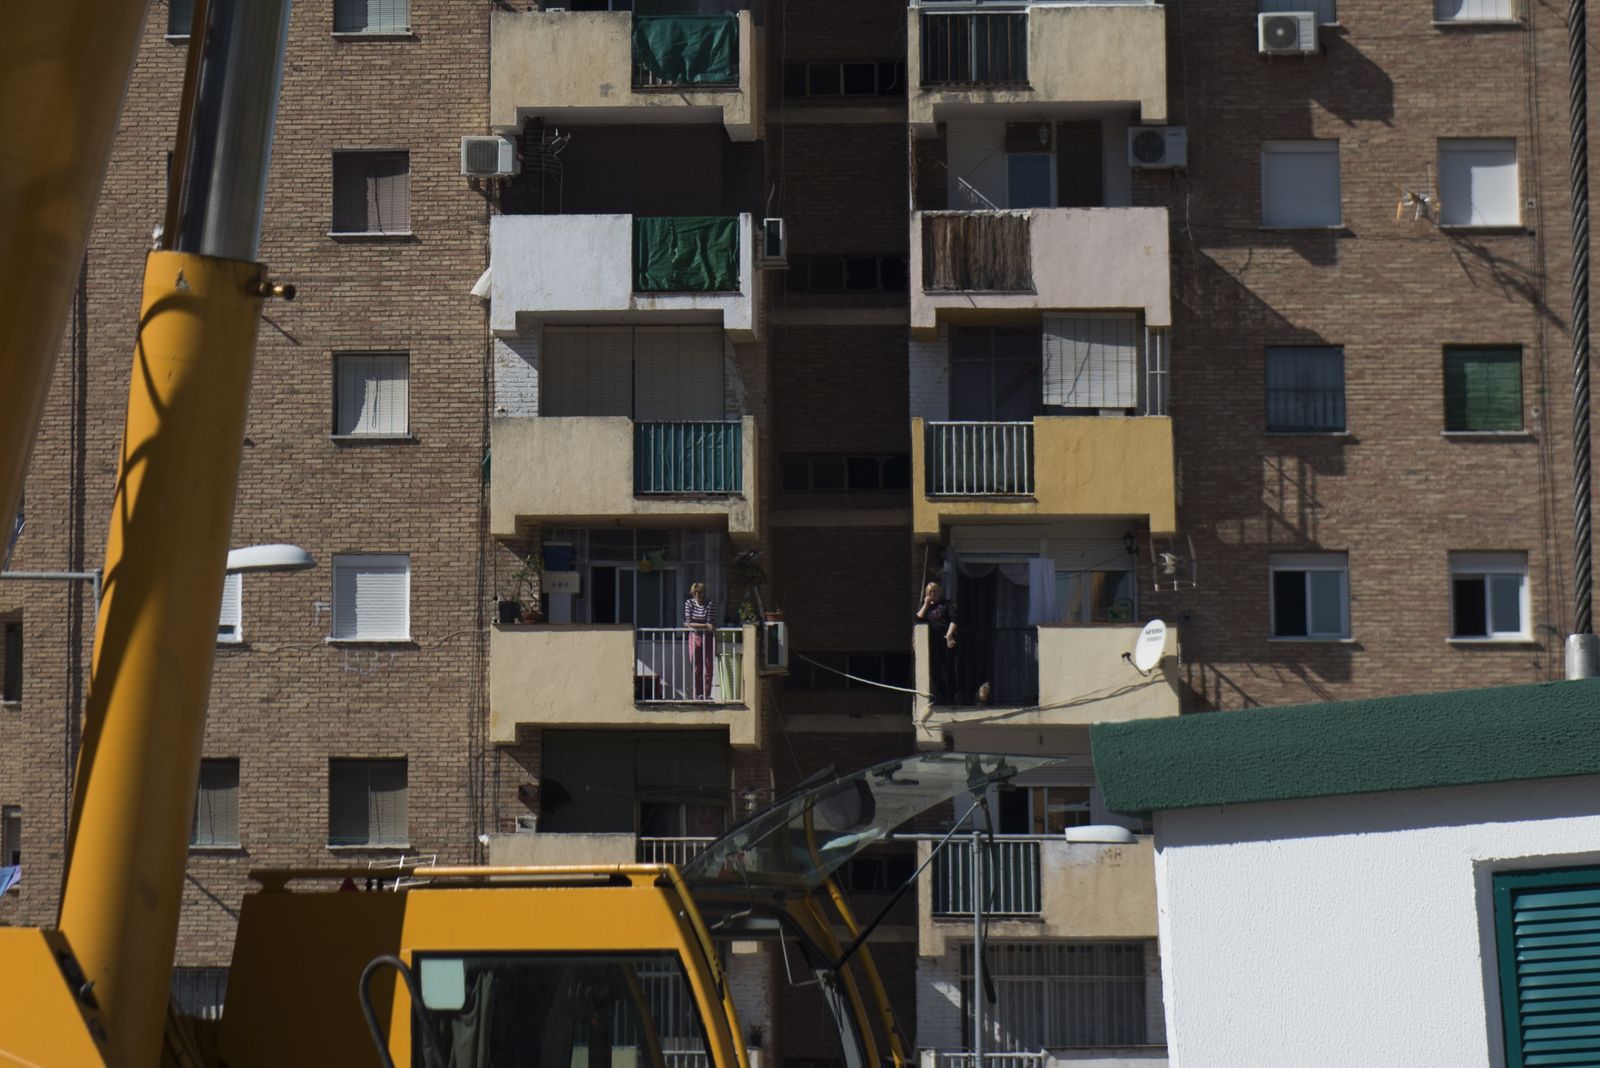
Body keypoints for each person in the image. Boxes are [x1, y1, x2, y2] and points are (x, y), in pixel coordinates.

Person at [916, 581, 957, 703]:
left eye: (936, 591)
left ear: (940, 592)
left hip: (946, 638)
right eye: (931, 592)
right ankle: (942, 695)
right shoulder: (927, 606)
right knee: (935, 669)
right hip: (933, 640)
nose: (934, 593)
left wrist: (949, 634)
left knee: (948, 668)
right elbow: (918, 619)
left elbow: (954, 619)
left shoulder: (946, 604)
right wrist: (926, 605)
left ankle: (951, 696)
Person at [683, 581, 716, 699]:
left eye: (700, 592)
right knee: (696, 666)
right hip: (695, 636)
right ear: (692, 593)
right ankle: (698, 694)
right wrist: (704, 626)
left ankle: (707, 693)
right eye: (695, 592)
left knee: (708, 665)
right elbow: (687, 623)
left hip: (707, 637)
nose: (697, 594)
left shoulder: (709, 604)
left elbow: (710, 623)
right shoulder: (689, 603)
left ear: (703, 593)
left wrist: (701, 625)